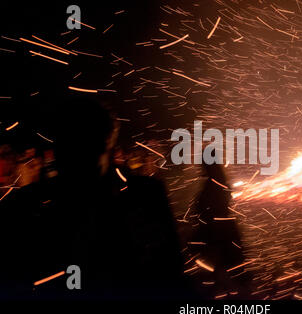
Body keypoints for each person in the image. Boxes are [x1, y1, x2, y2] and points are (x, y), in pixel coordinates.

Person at [0, 96, 187, 299]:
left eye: (83, 142)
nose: (74, 153)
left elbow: (170, 268)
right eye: (68, 141)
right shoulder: (28, 204)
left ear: (106, 141)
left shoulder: (144, 195)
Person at [191, 161, 250, 298]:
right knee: (233, 271)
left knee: (223, 272)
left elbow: (204, 213)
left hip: (217, 234)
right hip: (227, 231)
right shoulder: (221, 184)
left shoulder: (209, 188)